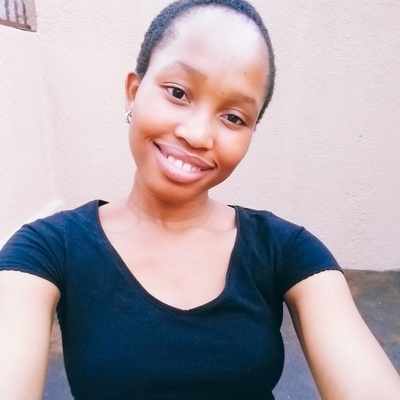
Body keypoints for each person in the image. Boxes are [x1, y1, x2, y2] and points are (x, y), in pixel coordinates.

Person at [0, 0, 399, 399]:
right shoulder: (47, 249)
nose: (198, 134)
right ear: (133, 93)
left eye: (234, 118)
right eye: (178, 92)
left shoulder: (286, 251)